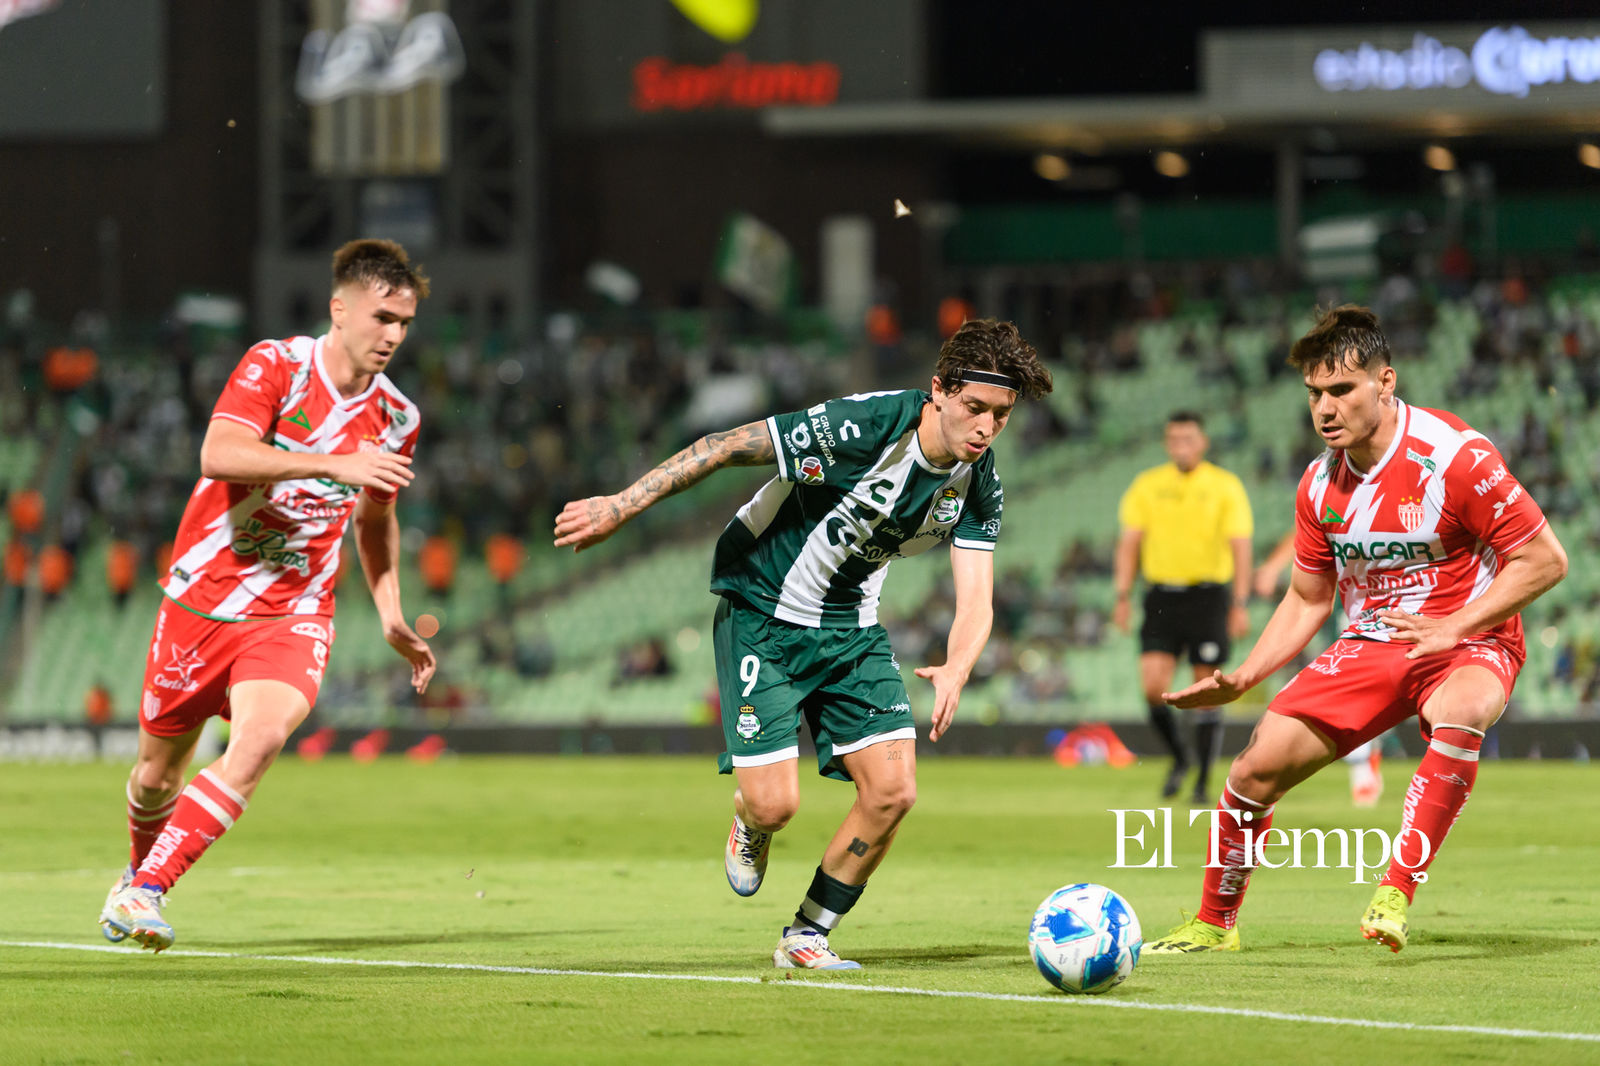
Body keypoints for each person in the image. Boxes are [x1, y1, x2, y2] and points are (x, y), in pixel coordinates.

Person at [554, 319, 1052, 969]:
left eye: (1001, 416)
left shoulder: (977, 482)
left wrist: (959, 665)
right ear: (938, 391)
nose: (986, 429)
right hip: (762, 610)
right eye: (975, 408)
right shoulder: (864, 427)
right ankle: (751, 817)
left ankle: (807, 935)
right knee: (776, 804)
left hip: (850, 631)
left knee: (894, 793)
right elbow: (726, 445)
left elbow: (977, 597)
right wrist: (622, 504)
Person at [1147, 305, 1567, 955]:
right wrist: (1245, 676)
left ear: (1386, 382)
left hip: (1469, 636)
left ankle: (1396, 888)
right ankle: (1214, 923)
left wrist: (1451, 625)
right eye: (1315, 393)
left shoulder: (1454, 457)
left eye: (1341, 390)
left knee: (1463, 711)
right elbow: (1308, 596)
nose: (1324, 408)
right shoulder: (1318, 485)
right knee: (1255, 768)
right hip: (1375, 642)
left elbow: (1545, 560)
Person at [98, 239, 438, 951]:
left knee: (258, 741)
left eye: (404, 323)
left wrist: (390, 613)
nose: (394, 336)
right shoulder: (275, 366)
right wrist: (332, 462)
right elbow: (218, 454)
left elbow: (377, 520)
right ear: (339, 309)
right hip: (204, 599)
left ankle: (148, 891)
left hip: (294, 610)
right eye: (383, 318)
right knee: (156, 776)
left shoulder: (398, 418)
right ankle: (136, 874)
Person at [1112, 412, 1253, 804]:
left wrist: (1239, 603)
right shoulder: (1148, 485)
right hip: (1161, 596)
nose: (1180, 446)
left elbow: (1241, 547)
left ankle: (1205, 783)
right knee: (1154, 688)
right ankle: (1181, 758)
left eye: (1188, 438)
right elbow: (1130, 542)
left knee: (1205, 689)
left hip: (1209, 596)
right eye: (1173, 439)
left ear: (1203, 442)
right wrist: (1122, 595)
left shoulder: (1224, 486)